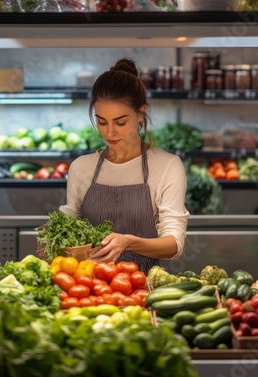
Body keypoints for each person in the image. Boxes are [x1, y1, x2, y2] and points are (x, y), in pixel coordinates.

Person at [59, 58, 190, 274]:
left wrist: (128, 242)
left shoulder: (167, 166)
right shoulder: (81, 168)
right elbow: (69, 227)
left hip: (142, 285)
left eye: (120, 122)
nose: (110, 132)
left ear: (140, 113)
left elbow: (173, 244)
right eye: (101, 122)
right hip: (87, 285)